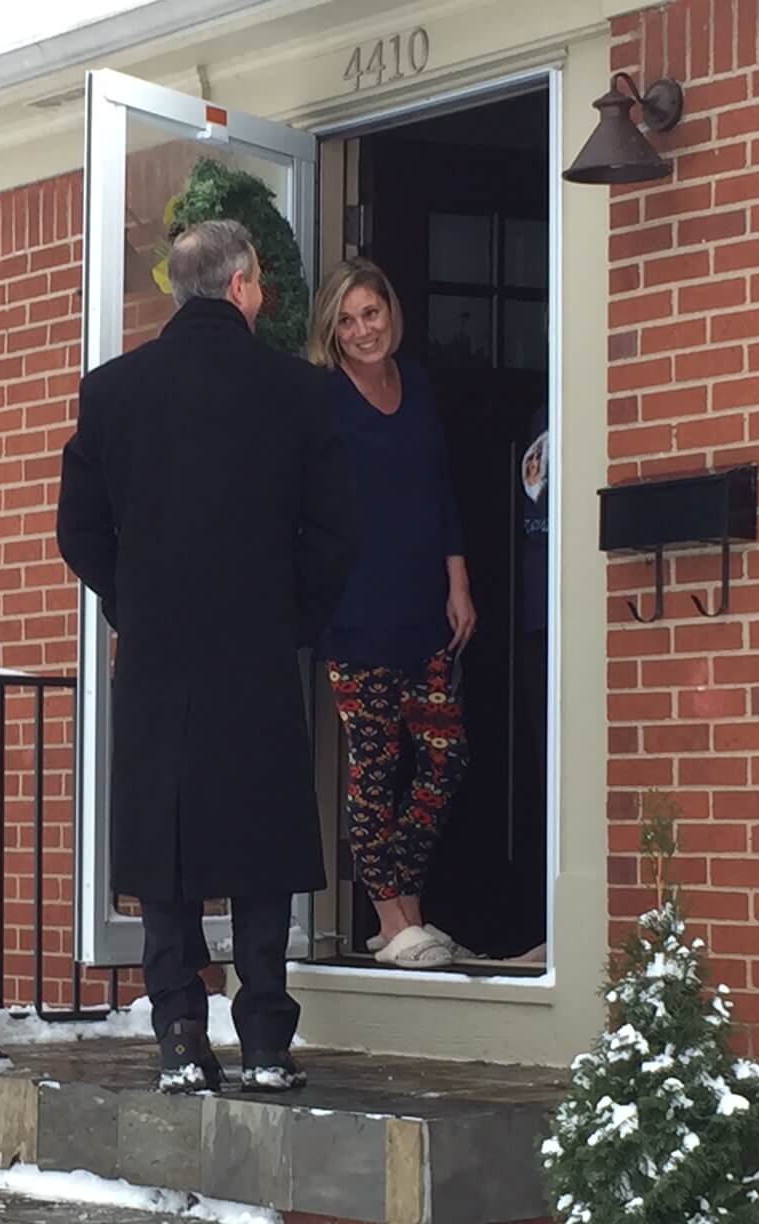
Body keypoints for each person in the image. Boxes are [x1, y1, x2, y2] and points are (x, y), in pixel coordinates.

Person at [57, 219, 358, 1093]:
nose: (261, 294)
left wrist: (134, 600)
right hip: (257, 644)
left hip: (158, 649)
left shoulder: (112, 391)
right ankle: (264, 1036)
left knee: (166, 841)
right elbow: (339, 531)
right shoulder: (298, 392)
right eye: (260, 282)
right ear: (239, 287)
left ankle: (181, 1034)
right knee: (261, 835)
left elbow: (78, 528)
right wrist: (293, 614)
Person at [308, 257, 477, 971]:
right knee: (374, 768)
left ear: (390, 312)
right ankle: (393, 917)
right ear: (331, 332)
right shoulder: (321, 398)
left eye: (370, 314)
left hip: (422, 602)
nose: (361, 331)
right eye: (345, 322)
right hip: (355, 611)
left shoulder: (419, 385)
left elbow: (439, 488)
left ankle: (400, 906)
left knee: (443, 758)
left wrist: (458, 581)